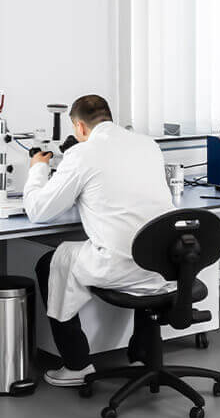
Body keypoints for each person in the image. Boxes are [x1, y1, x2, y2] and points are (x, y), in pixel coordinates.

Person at [25, 94, 177, 388]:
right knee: (140, 253)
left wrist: (37, 169)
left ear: (79, 127)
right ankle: (142, 353)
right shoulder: (148, 145)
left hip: (119, 266)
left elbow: (38, 211)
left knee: (49, 263)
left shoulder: (82, 154)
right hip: (165, 261)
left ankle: (77, 364)